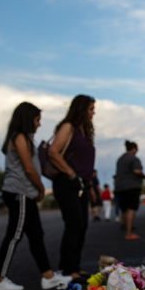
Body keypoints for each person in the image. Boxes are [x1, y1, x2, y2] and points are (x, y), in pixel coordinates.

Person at [0, 102, 72, 290]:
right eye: (37, 120)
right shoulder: (19, 137)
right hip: (20, 193)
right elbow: (28, 168)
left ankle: (48, 277)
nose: (39, 124)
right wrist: (41, 187)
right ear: (28, 119)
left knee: (36, 235)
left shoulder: (24, 138)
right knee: (14, 235)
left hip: (25, 193)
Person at [48, 94, 96, 280]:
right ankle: (67, 269)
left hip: (81, 184)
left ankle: (74, 267)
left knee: (82, 225)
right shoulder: (68, 126)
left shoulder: (84, 129)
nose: (93, 112)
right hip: (67, 183)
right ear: (81, 109)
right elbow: (53, 151)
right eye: (91, 109)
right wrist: (71, 173)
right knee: (73, 224)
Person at [114, 140, 145, 241]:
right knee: (131, 209)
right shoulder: (134, 158)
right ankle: (129, 233)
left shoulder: (120, 159)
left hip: (120, 187)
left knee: (124, 209)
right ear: (134, 149)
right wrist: (144, 176)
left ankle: (124, 225)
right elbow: (137, 171)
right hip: (132, 186)